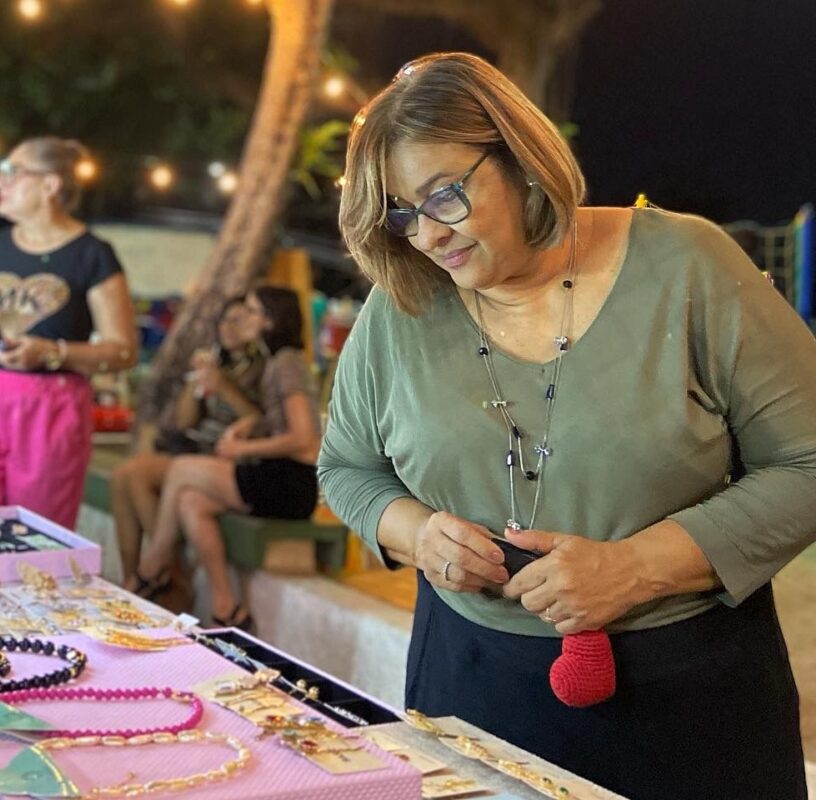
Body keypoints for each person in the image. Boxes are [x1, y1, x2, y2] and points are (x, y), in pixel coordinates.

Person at [319, 52, 816, 799]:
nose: (427, 235)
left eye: (444, 195)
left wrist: (637, 567)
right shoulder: (402, 308)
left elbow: (807, 463)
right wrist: (414, 532)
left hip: (691, 702)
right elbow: (346, 469)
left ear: (519, 156)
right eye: (402, 211)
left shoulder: (688, 266)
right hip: (469, 689)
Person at [0, 137, 137, 527]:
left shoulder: (92, 254)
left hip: (50, 409)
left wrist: (52, 351)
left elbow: (124, 350)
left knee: (34, 534)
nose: (0, 183)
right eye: (0, 173)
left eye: (12, 173)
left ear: (50, 185)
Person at [132, 287, 322, 630]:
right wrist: (251, 425)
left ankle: (151, 569)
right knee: (191, 500)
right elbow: (278, 421)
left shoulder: (287, 362)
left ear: (269, 321)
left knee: (181, 470)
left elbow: (307, 441)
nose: (240, 318)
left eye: (250, 311)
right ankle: (226, 607)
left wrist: (242, 450)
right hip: (276, 475)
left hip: (290, 483)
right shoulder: (276, 362)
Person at [112, 295, 265, 592]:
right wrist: (195, 384)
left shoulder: (260, 367)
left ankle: (169, 576)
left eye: (238, 320)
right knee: (121, 477)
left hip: (228, 458)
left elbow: (259, 422)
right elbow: (184, 422)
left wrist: (222, 386)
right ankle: (132, 578)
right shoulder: (218, 361)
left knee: (138, 473)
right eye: (224, 320)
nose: (228, 327)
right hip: (196, 450)